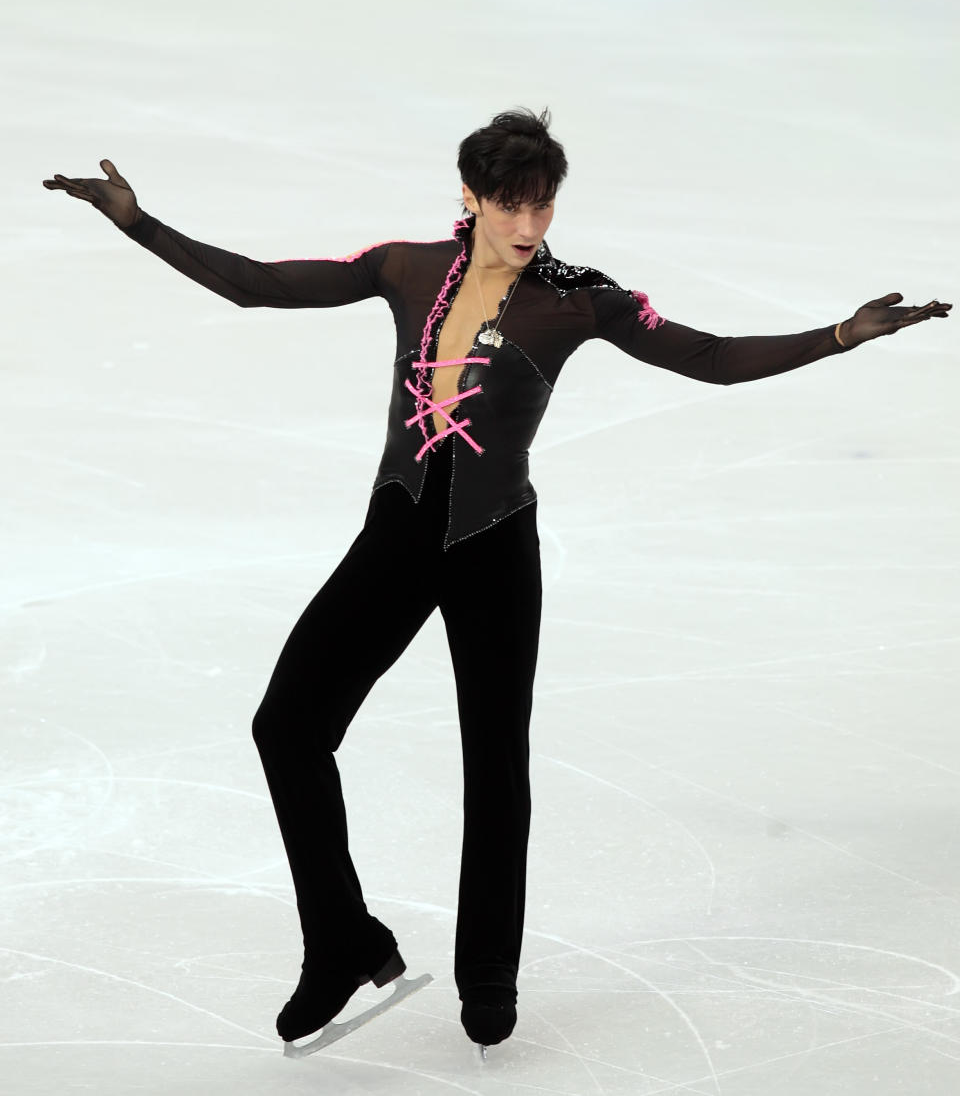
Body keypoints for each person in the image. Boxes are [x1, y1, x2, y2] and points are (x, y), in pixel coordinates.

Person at [43, 108, 951, 1052]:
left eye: (544, 204)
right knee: (288, 725)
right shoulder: (404, 268)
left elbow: (712, 360)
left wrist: (842, 333)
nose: (530, 225)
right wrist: (137, 222)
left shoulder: (580, 298)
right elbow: (257, 287)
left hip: (493, 545)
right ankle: (341, 942)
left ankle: (488, 971)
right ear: (469, 200)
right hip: (396, 534)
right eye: (511, 204)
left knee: (496, 766)